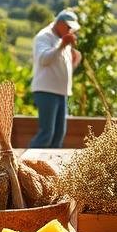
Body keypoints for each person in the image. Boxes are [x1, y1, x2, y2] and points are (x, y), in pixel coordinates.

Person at [30, 9, 82, 149]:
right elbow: (43, 59)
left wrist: (75, 60)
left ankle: (48, 163)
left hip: (61, 92)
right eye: (68, 27)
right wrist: (62, 46)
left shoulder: (62, 39)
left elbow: (61, 68)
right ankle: (28, 159)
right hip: (46, 90)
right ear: (60, 23)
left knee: (59, 135)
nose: (70, 31)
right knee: (46, 134)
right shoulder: (44, 36)